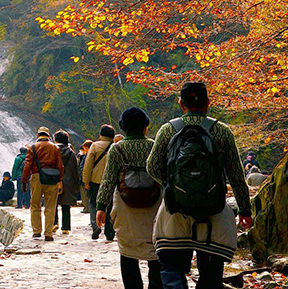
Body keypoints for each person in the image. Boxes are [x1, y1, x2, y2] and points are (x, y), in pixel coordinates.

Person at [147, 82, 252, 289]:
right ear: (208, 103)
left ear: (180, 103)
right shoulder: (222, 131)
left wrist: (173, 187)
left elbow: (152, 166)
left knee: (171, 269)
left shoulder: (168, 130)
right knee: (211, 276)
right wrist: (245, 210)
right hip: (214, 213)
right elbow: (236, 175)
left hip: (175, 214)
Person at [96, 108, 163, 289]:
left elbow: (109, 179)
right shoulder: (154, 146)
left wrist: (101, 206)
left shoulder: (117, 149)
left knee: (127, 251)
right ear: (145, 127)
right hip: (154, 205)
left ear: (123, 128)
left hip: (126, 207)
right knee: (155, 250)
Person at [21, 127, 64, 241]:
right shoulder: (55, 147)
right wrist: (59, 180)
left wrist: (24, 181)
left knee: (35, 205)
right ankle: (48, 233)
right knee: (50, 206)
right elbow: (60, 165)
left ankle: (36, 231)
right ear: (48, 136)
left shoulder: (33, 147)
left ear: (37, 136)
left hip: (36, 177)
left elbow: (27, 165)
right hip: (52, 177)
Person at [83, 124, 117, 240]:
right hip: (112, 182)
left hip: (95, 181)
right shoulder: (116, 146)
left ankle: (95, 225)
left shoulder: (94, 146)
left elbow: (88, 165)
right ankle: (109, 232)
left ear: (101, 135)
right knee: (110, 205)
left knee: (93, 203)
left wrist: (86, 181)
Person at [53, 130, 80, 235]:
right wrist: (76, 184)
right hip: (68, 181)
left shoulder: (53, 151)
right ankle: (65, 227)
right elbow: (75, 169)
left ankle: (54, 223)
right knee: (66, 205)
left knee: (53, 203)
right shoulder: (71, 153)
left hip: (55, 180)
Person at [78, 140, 93, 213]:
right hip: (87, 178)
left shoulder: (89, 155)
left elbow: (85, 167)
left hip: (85, 178)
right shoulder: (88, 155)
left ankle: (87, 208)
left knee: (86, 195)